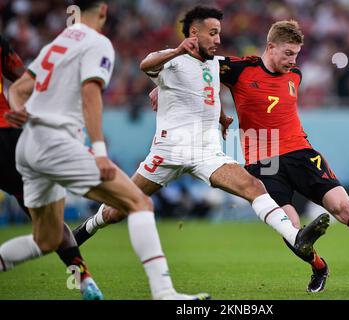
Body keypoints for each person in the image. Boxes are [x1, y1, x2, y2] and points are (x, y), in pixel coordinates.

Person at [72, 6, 331, 292]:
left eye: (219, 32)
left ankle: (296, 239)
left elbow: (206, 92)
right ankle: (86, 229)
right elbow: (146, 65)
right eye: (213, 33)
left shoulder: (213, 63)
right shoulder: (172, 59)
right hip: (168, 152)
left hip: (207, 152)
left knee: (254, 186)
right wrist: (176, 55)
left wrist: (221, 118)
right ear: (194, 34)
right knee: (118, 211)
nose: (218, 39)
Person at [0, 0, 208, 301]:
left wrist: (22, 113)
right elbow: (90, 94)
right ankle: (165, 293)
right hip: (57, 144)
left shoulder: (54, 45)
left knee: (46, 238)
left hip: (27, 147)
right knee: (139, 202)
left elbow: (18, 90)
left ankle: (88, 280)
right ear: (103, 11)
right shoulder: (96, 43)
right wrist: (99, 151)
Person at [216, 20, 349, 292]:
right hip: (263, 160)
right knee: (290, 225)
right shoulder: (239, 69)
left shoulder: (296, 75)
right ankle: (319, 267)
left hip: (302, 153)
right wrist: (161, 89)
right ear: (270, 47)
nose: (292, 60)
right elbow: (198, 69)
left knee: (345, 208)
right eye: (287, 53)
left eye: (296, 54)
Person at [0, 34, 103, 300]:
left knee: (50, 228)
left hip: (8, 138)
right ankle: (84, 280)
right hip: (5, 138)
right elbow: (23, 80)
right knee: (51, 226)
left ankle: (84, 280)